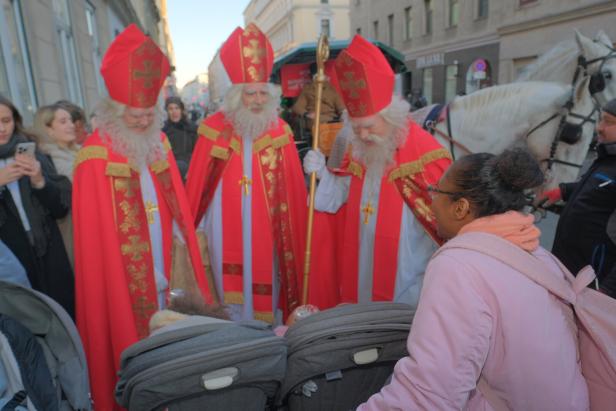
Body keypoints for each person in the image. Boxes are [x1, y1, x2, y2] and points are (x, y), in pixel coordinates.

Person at [358, 148, 589, 411]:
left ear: (461, 208)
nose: (431, 200)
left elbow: (429, 395)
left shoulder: (458, 266)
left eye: (436, 192)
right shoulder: (538, 253)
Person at [72, 24, 214, 410]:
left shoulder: (158, 140)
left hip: (164, 256)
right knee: (130, 331)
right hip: (123, 270)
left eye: (148, 113)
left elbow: (175, 202)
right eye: (134, 115)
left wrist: (185, 235)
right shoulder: (95, 154)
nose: (141, 120)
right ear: (116, 112)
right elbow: (94, 234)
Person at [303, 35, 451, 309]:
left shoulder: (425, 156)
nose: (363, 134)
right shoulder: (358, 148)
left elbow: (447, 228)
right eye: (356, 127)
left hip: (408, 274)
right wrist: (323, 174)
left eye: (369, 126)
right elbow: (339, 200)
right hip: (360, 263)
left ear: (392, 118)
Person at [185, 23, 307, 324]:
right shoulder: (214, 129)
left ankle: (268, 332)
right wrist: (190, 224)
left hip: (269, 226)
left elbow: (291, 188)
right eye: (250, 93)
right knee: (227, 288)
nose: (256, 100)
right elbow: (199, 183)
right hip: (222, 225)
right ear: (237, 95)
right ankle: (232, 332)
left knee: (268, 275)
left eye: (262, 93)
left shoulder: (280, 130)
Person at [0, 95, 74, 315]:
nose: (2, 128)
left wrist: (40, 182)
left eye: (6, 120)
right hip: (11, 256)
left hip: (49, 251)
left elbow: (60, 208)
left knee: (63, 314)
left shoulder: (33, 152)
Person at [544, 98, 616, 299]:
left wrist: (608, 290)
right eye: (600, 120)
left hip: (593, 283)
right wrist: (564, 191)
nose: (600, 128)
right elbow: (598, 187)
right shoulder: (607, 157)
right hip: (568, 269)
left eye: (609, 122)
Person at [33, 104, 79, 266]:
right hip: (70, 226)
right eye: (63, 121)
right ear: (48, 129)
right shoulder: (48, 159)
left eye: (71, 120)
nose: (71, 125)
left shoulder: (79, 151)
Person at [291, 63, 345, 133]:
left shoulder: (331, 89)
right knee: (318, 121)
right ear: (312, 76)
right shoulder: (307, 90)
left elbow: (341, 107)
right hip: (315, 118)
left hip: (332, 118)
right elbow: (297, 107)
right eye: (316, 75)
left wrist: (344, 115)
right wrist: (307, 114)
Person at [162, 96, 198, 178]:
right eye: (170, 109)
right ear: (167, 111)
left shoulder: (192, 128)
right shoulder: (163, 131)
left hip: (189, 170)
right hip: (171, 170)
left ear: (181, 110)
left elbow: (197, 152)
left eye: (177, 108)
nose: (174, 111)